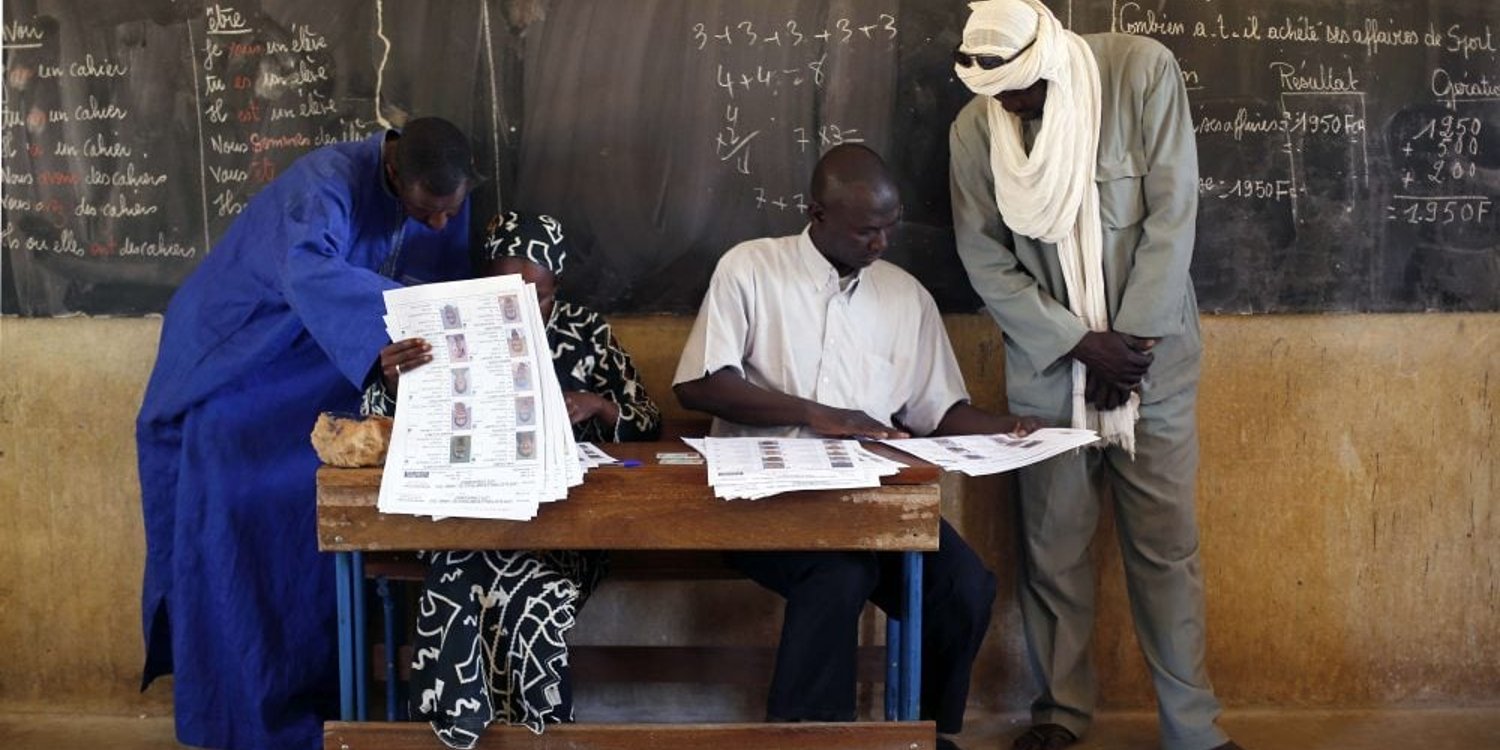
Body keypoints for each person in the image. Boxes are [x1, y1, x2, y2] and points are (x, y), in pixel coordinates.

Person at [673, 144, 1039, 750]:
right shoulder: (752, 269)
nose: (881, 244)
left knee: (964, 586)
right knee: (840, 574)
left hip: (865, 504)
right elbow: (700, 385)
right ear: (816, 212)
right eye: (867, 230)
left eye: (890, 228)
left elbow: (938, 410)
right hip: (763, 503)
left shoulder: (904, 296)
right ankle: (807, 738)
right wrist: (818, 415)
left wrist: (1009, 427)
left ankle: (927, 734)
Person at [947, 3, 1239, 750]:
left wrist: (1129, 345)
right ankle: (1061, 717)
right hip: (1051, 378)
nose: (1012, 108)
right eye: (997, 94)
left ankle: (1193, 730)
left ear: (1048, 54)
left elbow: (1175, 211)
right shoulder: (974, 130)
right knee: (1053, 554)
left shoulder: (1141, 74)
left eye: (1023, 91)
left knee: (1167, 551)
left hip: (1154, 366)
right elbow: (985, 257)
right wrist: (1081, 345)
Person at [135, 117, 478, 750]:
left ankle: (326, 710)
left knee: (317, 548)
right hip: (240, 372)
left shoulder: (440, 191)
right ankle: (235, 721)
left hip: (318, 377)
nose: (439, 224)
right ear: (394, 171)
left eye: (450, 212)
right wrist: (406, 322)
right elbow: (310, 270)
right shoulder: (324, 184)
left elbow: (436, 286)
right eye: (428, 211)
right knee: (237, 551)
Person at [366, 211, 662, 748]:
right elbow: (373, 419)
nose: (523, 312)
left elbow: (649, 422)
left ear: (557, 288)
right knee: (455, 580)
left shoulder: (587, 332)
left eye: (538, 298)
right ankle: (457, 735)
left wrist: (599, 404)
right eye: (508, 295)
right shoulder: (451, 325)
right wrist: (390, 379)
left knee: (533, 598)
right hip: (469, 519)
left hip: (565, 530)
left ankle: (530, 738)